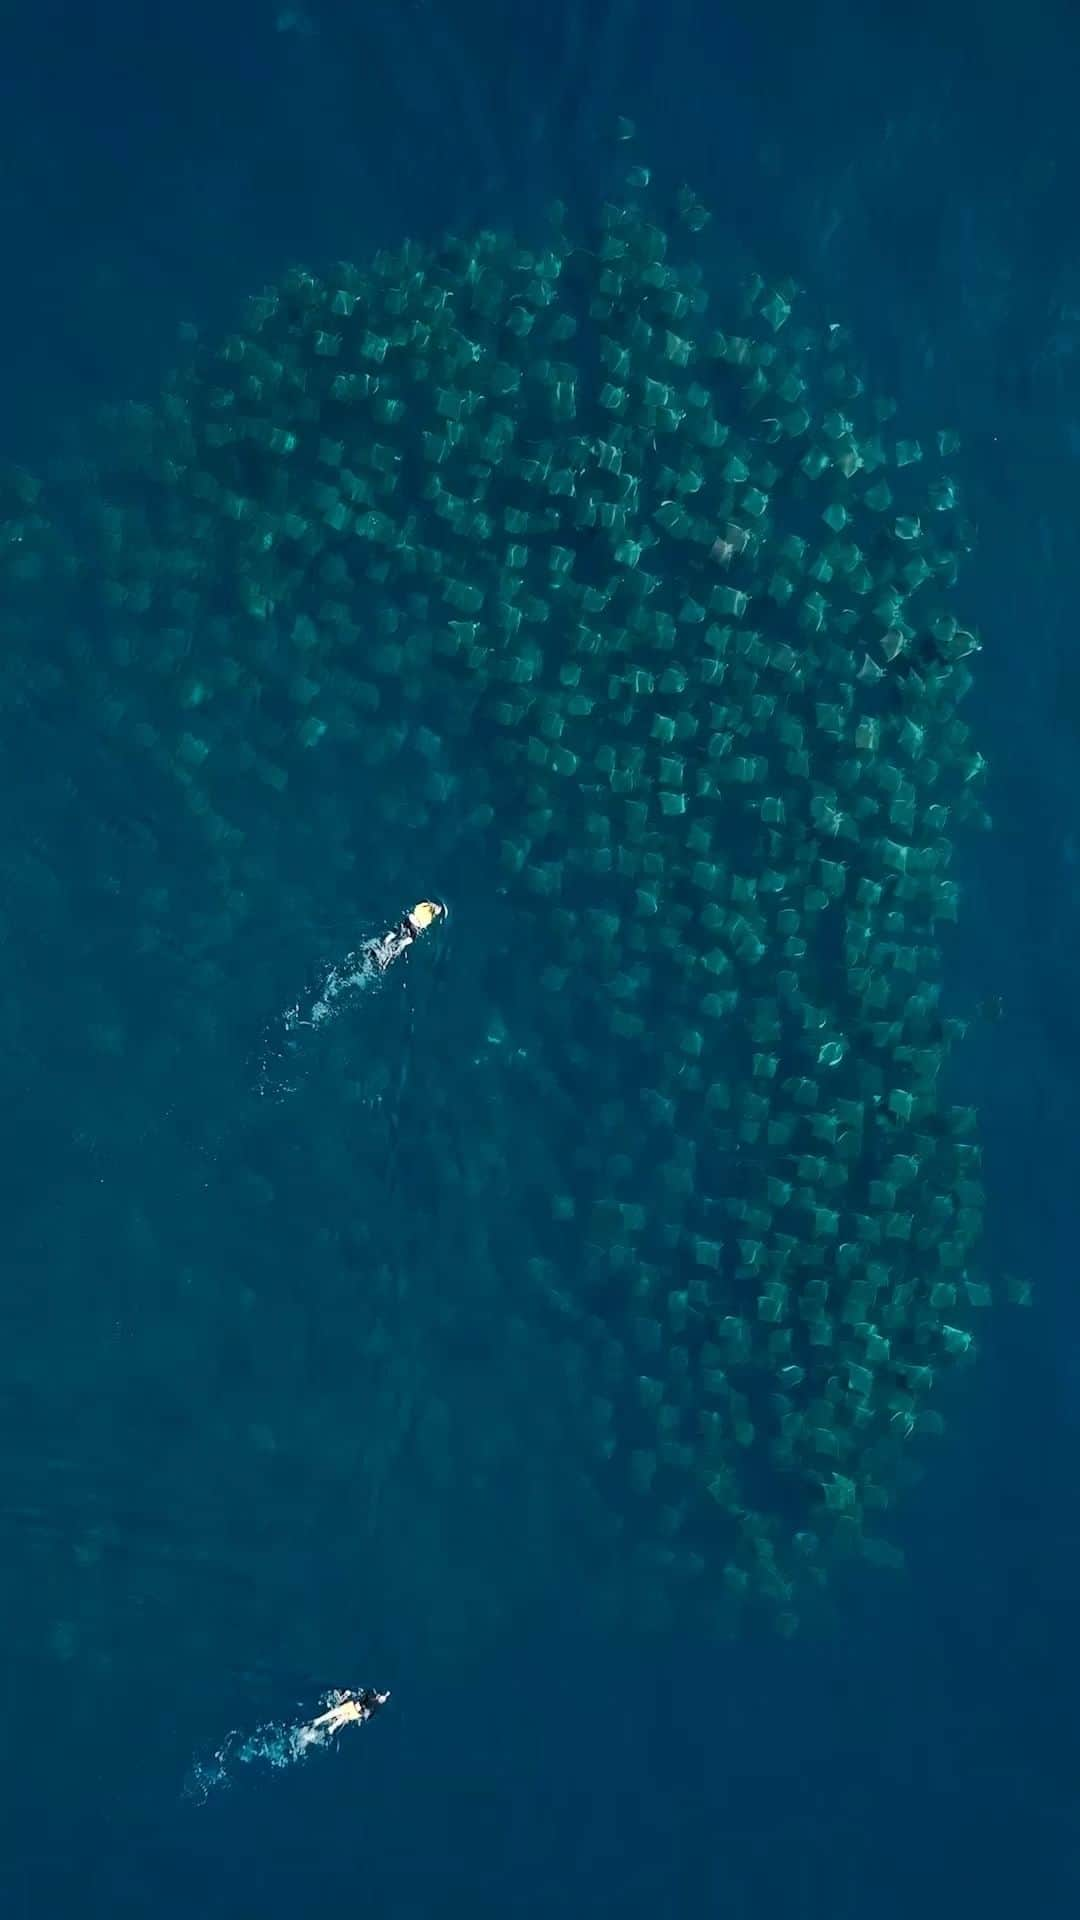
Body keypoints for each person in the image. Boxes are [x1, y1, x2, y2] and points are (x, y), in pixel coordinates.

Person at [294, 1687, 390, 1749]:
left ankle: (322, 1724)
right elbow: (366, 1714)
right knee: (340, 1715)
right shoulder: (373, 1700)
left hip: (354, 1710)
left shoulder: (373, 1702)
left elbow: (366, 1714)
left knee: (340, 1714)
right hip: (354, 1710)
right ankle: (323, 1725)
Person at [365, 900, 444, 974]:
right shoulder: (430, 917)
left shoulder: (423, 905)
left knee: (395, 933)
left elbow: (416, 908)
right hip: (415, 928)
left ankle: (383, 944)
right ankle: (385, 960)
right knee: (402, 943)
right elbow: (424, 925)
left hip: (409, 919)